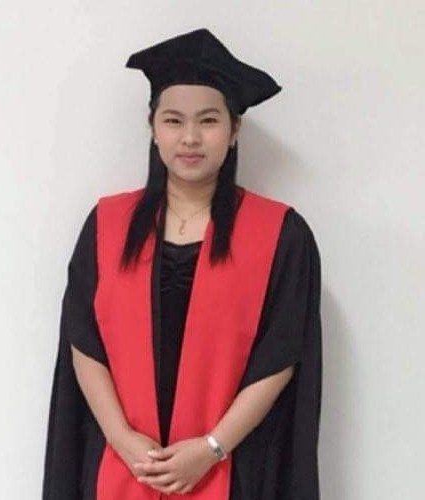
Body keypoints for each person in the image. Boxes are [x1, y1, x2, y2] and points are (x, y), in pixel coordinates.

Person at [42, 28, 322, 500]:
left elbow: (282, 354)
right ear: (153, 128)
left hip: (232, 468)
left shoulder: (279, 234)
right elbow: (83, 339)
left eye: (208, 121)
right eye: (173, 121)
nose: (190, 138)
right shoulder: (108, 225)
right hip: (121, 465)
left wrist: (213, 448)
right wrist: (122, 440)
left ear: (234, 131)